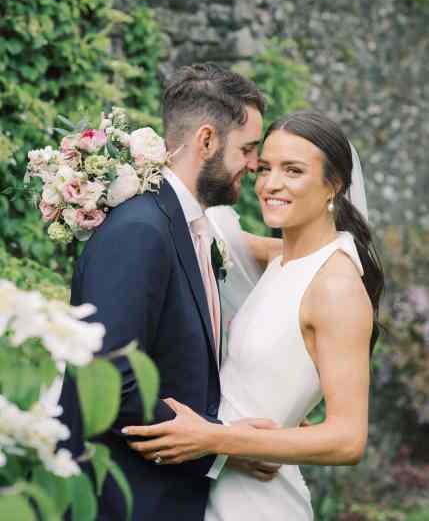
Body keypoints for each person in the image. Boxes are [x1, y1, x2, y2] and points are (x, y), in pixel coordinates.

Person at [122, 110, 385, 521]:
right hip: (212, 485)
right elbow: (191, 226)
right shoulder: (282, 257)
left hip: (259, 502)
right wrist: (95, 183)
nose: (270, 184)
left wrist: (215, 438)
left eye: (293, 170)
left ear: (333, 185)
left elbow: (347, 439)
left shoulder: (336, 286)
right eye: (264, 168)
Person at [59, 63, 282, 521]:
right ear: (206, 141)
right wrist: (221, 445)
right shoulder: (141, 231)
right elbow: (110, 382)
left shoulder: (189, 228)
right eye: (248, 149)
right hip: (124, 501)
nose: (255, 164)